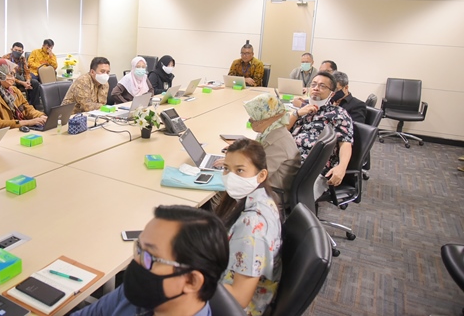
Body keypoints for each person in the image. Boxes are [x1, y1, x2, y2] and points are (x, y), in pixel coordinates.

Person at [72, 205, 229, 316]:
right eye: (139, 249)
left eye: (150, 257)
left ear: (191, 281)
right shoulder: (136, 294)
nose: (137, 262)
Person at [215, 139, 281, 315]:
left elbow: (239, 298)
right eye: (226, 168)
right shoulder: (262, 198)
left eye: (240, 170)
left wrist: (191, 278)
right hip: (225, 280)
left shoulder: (252, 230)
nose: (230, 177)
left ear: (261, 175)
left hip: (234, 308)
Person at [288, 71, 353, 199]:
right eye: (313, 85)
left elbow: (345, 143)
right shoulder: (304, 109)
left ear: (332, 94)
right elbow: (282, 130)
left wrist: (342, 167)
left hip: (312, 165)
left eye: (322, 86)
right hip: (288, 156)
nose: (316, 88)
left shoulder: (338, 114)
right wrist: (297, 114)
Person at [243, 94, 301, 208]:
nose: (250, 121)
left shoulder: (276, 144)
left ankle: (221, 218)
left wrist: (231, 167)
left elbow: (255, 176)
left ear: (266, 118)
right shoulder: (273, 131)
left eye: (253, 118)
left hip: (272, 193)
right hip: (269, 184)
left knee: (221, 192)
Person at [0, 59, 47, 131]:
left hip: (20, 128)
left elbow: (27, 109)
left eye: (14, 75)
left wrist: (41, 116)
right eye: (10, 74)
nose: (13, 79)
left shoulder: (14, 90)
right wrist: (28, 122)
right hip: (5, 133)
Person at [2, 42, 40, 108]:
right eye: (15, 50)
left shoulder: (22, 59)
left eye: (19, 51)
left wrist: (28, 81)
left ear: (22, 52)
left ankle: (32, 106)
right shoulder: (5, 59)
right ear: (11, 49)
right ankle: (16, 107)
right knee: (12, 85)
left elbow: (27, 72)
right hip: (12, 80)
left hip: (22, 79)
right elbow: (7, 76)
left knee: (35, 83)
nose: (17, 52)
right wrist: (22, 83)